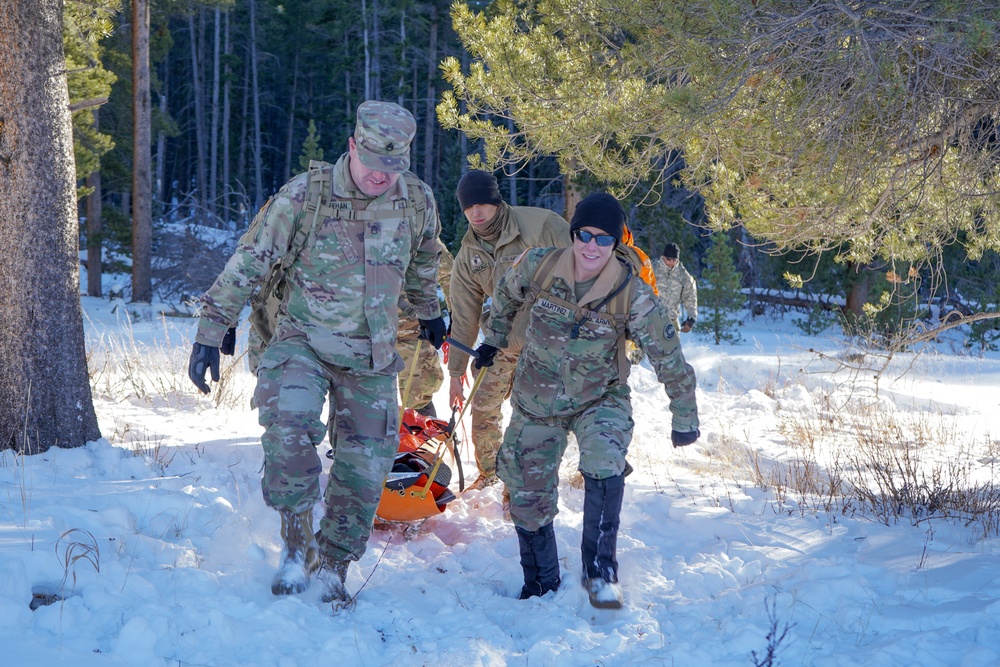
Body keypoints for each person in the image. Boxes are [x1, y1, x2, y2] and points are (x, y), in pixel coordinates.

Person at [187, 101, 447, 610]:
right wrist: (212, 325)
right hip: (302, 341)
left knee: (366, 468)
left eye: (392, 169)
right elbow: (252, 258)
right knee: (288, 433)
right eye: (373, 165)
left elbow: (423, 261)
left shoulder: (417, 200)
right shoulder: (306, 196)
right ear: (352, 146)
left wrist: (431, 310)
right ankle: (295, 543)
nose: (380, 177)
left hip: (371, 354)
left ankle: (332, 567)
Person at [472, 192, 700, 608]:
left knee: (603, 461)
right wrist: (495, 338)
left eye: (603, 239)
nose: (592, 246)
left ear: (617, 243)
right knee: (526, 489)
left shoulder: (632, 294)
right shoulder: (538, 264)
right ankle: (540, 582)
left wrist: (684, 415)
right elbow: (505, 294)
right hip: (537, 397)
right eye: (584, 235)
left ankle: (600, 572)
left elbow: (670, 357)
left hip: (600, 397)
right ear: (573, 233)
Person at [447, 170, 570, 489]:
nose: (476, 212)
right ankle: (490, 474)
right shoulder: (468, 257)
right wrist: (456, 374)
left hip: (548, 334)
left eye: (482, 204)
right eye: (468, 206)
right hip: (500, 339)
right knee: (483, 404)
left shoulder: (540, 225)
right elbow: (463, 317)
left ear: (496, 200)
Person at [396, 243, 454, 417]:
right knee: (363, 399)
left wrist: (457, 316)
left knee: (418, 397)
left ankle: (426, 441)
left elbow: (450, 276)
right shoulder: (356, 228)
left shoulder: (418, 231)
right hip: (366, 333)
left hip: (414, 332)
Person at [653, 242, 698, 333]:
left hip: (671, 321)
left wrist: (691, 318)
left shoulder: (683, 275)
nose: (671, 262)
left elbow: (690, 296)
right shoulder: (652, 268)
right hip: (651, 320)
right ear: (663, 257)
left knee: (673, 347)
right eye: (668, 259)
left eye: (674, 259)